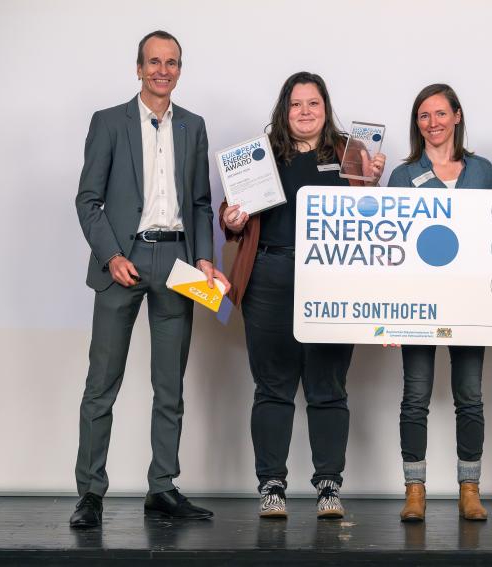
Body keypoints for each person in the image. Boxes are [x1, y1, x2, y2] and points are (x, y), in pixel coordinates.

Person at [71, 30, 229, 528]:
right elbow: (88, 200)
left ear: (180, 70)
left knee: (170, 386)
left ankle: (162, 488)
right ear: (138, 68)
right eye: (154, 62)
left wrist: (205, 258)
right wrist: (112, 255)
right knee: (102, 384)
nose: (163, 70)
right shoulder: (108, 122)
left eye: (172, 62)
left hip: (178, 261)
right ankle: (90, 493)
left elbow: (201, 203)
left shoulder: (194, 126)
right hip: (125, 260)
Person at [220, 71, 385, 519]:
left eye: (313, 103)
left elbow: (372, 221)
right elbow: (230, 210)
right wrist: (231, 219)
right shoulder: (261, 154)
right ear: (284, 110)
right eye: (296, 105)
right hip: (270, 275)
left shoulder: (351, 153)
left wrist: (371, 182)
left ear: (325, 108)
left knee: (328, 387)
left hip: (334, 278)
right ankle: (271, 486)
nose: (305, 112)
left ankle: (328, 486)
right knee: (272, 388)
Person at [387, 83, 492, 523]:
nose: (432, 123)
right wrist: (391, 315)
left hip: (470, 303)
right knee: (415, 396)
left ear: (456, 116)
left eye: (439, 114)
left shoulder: (482, 170)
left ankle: (469, 489)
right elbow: (390, 247)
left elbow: (491, 231)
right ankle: (415, 490)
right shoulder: (402, 175)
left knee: (469, 396)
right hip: (418, 302)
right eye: (423, 116)